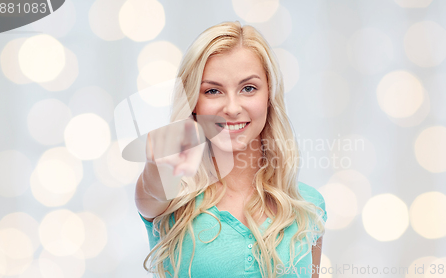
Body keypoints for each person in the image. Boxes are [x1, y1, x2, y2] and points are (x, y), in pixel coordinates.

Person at [135, 21, 327, 278]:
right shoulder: (174, 198)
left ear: (269, 95)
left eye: (248, 88)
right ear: (194, 101)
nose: (232, 108)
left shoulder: (308, 206)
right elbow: (152, 186)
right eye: (213, 91)